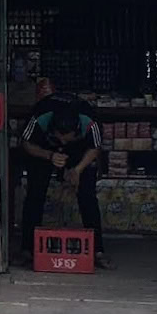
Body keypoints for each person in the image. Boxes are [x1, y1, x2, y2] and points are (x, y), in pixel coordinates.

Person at [19, 104, 110, 269]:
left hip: (80, 153)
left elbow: (95, 148)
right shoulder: (40, 118)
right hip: (44, 150)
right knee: (35, 193)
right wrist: (49, 155)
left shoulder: (90, 122)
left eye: (66, 138)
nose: (62, 142)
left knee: (87, 196)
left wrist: (78, 170)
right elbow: (26, 143)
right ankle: (27, 248)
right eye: (59, 137)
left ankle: (97, 251)